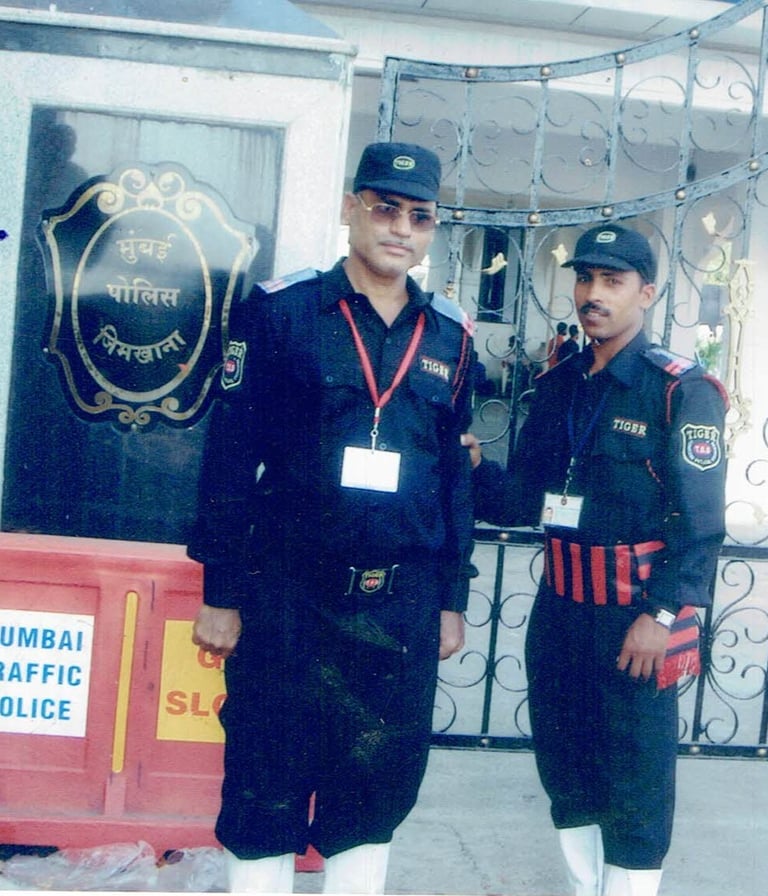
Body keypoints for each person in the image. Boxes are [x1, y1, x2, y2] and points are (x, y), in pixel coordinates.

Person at [187, 142, 475, 894]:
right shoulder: (281, 312)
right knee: (265, 776)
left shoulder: (450, 335)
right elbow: (228, 458)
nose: (400, 228)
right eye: (384, 208)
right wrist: (220, 589)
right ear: (351, 210)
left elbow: (452, 477)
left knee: (374, 786)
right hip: (288, 594)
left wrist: (452, 597)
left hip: (398, 602)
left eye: (419, 216)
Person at [462, 224, 728, 896]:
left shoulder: (679, 390)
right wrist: (471, 468)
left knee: (635, 781)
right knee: (567, 771)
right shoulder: (559, 386)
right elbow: (526, 497)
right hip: (562, 615)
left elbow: (700, 527)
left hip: (635, 620)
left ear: (647, 292)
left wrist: (661, 614)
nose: (593, 294)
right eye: (585, 279)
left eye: (612, 281)